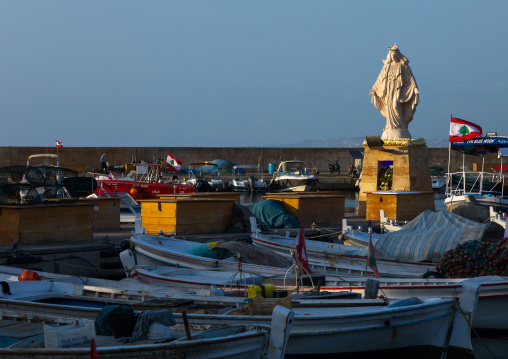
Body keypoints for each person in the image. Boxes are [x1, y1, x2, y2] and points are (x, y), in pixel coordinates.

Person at [369, 43, 419, 140]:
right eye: (392, 55)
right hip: (388, 89)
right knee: (389, 107)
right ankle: (390, 125)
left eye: (395, 55)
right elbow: (379, 79)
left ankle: (400, 125)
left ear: (397, 55)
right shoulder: (386, 67)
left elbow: (410, 78)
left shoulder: (402, 66)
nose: (393, 57)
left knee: (396, 106)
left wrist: (414, 88)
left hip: (397, 89)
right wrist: (374, 89)